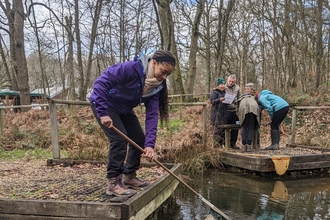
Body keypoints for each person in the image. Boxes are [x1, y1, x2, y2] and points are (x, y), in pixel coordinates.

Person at [90, 50, 175, 197]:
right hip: (105, 103)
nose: (164, 76)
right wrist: (103, 113)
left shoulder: (156, 87)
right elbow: (100, 83)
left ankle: (129, 175)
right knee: (119, 139)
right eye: (163, 71)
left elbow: (152, 116)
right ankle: (113, 182)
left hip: (123, 108)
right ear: (154, 63)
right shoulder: (130, 68)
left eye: (168, 74)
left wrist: (149, 145)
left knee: (139, 139)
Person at [237, 83, 260, 152]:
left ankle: (246, 145)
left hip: (249, 112)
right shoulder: (254, 98)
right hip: (252, 111)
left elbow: (237, 107)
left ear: (252, 90)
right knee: (248, 127)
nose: (246, 90)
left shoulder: (242, 97)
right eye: (245, 89)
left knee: (247, 127)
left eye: (248, 89)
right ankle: (247, 145)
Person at [210, 77, 229, 148]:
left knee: (223, 133)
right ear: (218, 85)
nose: (222, 86)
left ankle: (222, 146)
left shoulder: (225, 93)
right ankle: (216, 146)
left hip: (224, 116)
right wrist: (219, 99)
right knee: (217, 132)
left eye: (223, 84)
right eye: (221, 84)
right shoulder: (214, 93)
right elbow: (212, 101)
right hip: (216, 116)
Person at [225, 74, 240, 149]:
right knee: (225, 127)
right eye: (229, 81)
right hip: (226, 110)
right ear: (227, 80)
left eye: (232, 82)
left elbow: (239, 98)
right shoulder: (224, 87)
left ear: (235, 82)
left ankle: (233, 143)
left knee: (235, 127)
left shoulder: (237, 87)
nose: (231, 83)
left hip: (235, 110)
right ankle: (225, 143)